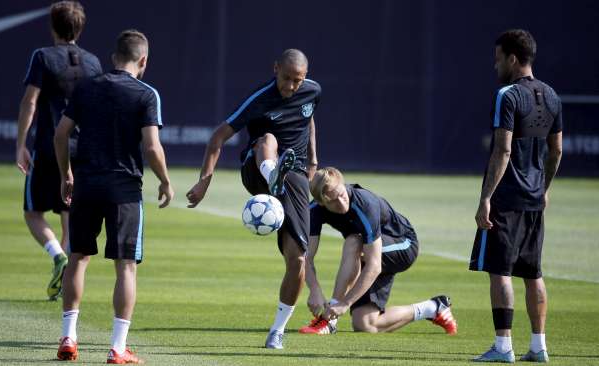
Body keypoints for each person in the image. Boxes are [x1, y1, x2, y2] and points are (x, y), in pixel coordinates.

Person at [186, 49, 320, 349]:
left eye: (297, 80)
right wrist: (204, 182)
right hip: (255, 169)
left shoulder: (312, 91)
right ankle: (273, 173)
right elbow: (217, 137)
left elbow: (310, 118)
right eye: (287, 78)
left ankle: (277, 330)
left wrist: (312, 162)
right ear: (275, 69)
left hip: (296, 174)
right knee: (268, 140)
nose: (291, 86)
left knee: (298, 259)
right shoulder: (259, 98)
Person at [53, 29, 173, 363]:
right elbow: (151, 146)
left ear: (112, 56)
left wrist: (66, 174)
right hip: (123, 188)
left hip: (87, 185)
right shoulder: (146, 94)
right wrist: (165, 180)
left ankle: (68, 337)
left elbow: (60, 134)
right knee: (125, 268)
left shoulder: (86, 87)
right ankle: (117, 348)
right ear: (144, 60)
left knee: (77, 257)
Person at [470, 29, 563, 363]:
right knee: (533, 274)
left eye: (498, 59)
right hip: (535, 201)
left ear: (512, 58)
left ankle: (503, 346)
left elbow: (503, 150)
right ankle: (539, 347)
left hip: (507, 199)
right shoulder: (552, 95)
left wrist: (485, 198)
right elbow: (557, 151)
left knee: (501, 272)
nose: (495, 65)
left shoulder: (507, 95)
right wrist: (544, 188)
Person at [298, 167, 457, 336]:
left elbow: (374, 266)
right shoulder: (314, 210)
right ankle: (433, 308)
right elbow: (306, 256)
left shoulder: (365, 204)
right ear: (322, 202)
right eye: (334, 201)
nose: (342, 203)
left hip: (403, 244)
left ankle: (329, 322)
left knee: (353, 242)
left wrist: (344, 304)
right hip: (372, 250)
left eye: (342, 195)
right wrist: (314, 290)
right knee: (365, 324)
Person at [16, 1, 102, 300]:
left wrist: (20, 145)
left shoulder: (42, 57)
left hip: (49, 147)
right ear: (80, 27)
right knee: (69, 218)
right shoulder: (93, 63)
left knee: (32, 213)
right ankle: (64, 279)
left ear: (53, 27)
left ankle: (57, 256)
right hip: (82, 152)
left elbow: (30, 101)